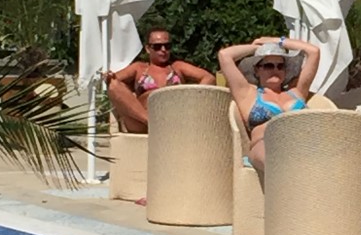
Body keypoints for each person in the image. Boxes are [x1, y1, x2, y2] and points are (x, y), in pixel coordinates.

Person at [218, 35, 321, 173]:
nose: (275, 70)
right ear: (257, 70)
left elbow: (314, 52)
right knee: (277, 163)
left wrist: (277, 41)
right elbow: (225, 55)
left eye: (280, 66)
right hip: (265, 146)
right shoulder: (248, 94)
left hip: (301, 145)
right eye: (268, 65)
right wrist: (258, 47)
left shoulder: (296, 91)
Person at [104, 27, 216, 133]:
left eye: (167, 46)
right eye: (157, 47)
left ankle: (158, 123)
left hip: (174, 119)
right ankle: (151, 121)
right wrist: (109, 76)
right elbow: (113, 80)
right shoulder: (139, 68)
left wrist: (191, 99)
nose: (163, 50)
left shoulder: (177, 67)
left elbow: (209, 78)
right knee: (112, 84)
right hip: (142, 122)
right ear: (148, 49)